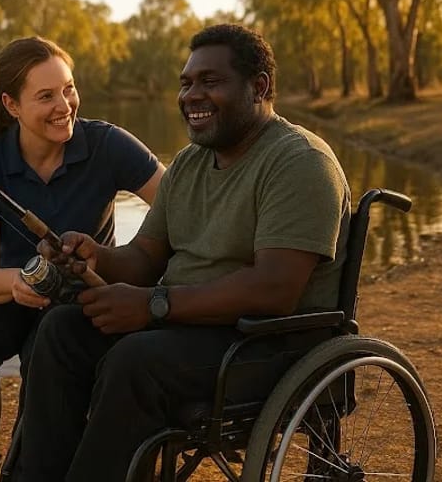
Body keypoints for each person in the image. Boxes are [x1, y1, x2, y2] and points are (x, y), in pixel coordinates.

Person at [17, 24, 352, 482]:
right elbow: (143, 260)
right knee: (59, 330)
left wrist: (154, 306)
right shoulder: (188, 164)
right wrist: (95, 256)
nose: (191, 95)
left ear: (260, 87)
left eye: (210, 82)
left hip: (267, 343)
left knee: (135, 360)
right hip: (186, 327)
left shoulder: (301, 162)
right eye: (186, 83)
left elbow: (275, 289)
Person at [0, 36, 165, 482]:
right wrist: (15, 284)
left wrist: (125, 262)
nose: (65, 105)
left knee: (44, 350)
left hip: (83, 296)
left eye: (69, 88)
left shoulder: (109, 144)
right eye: (45, 96)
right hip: (10, 290)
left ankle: (36, 465)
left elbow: (182, 205)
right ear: (11, 105)